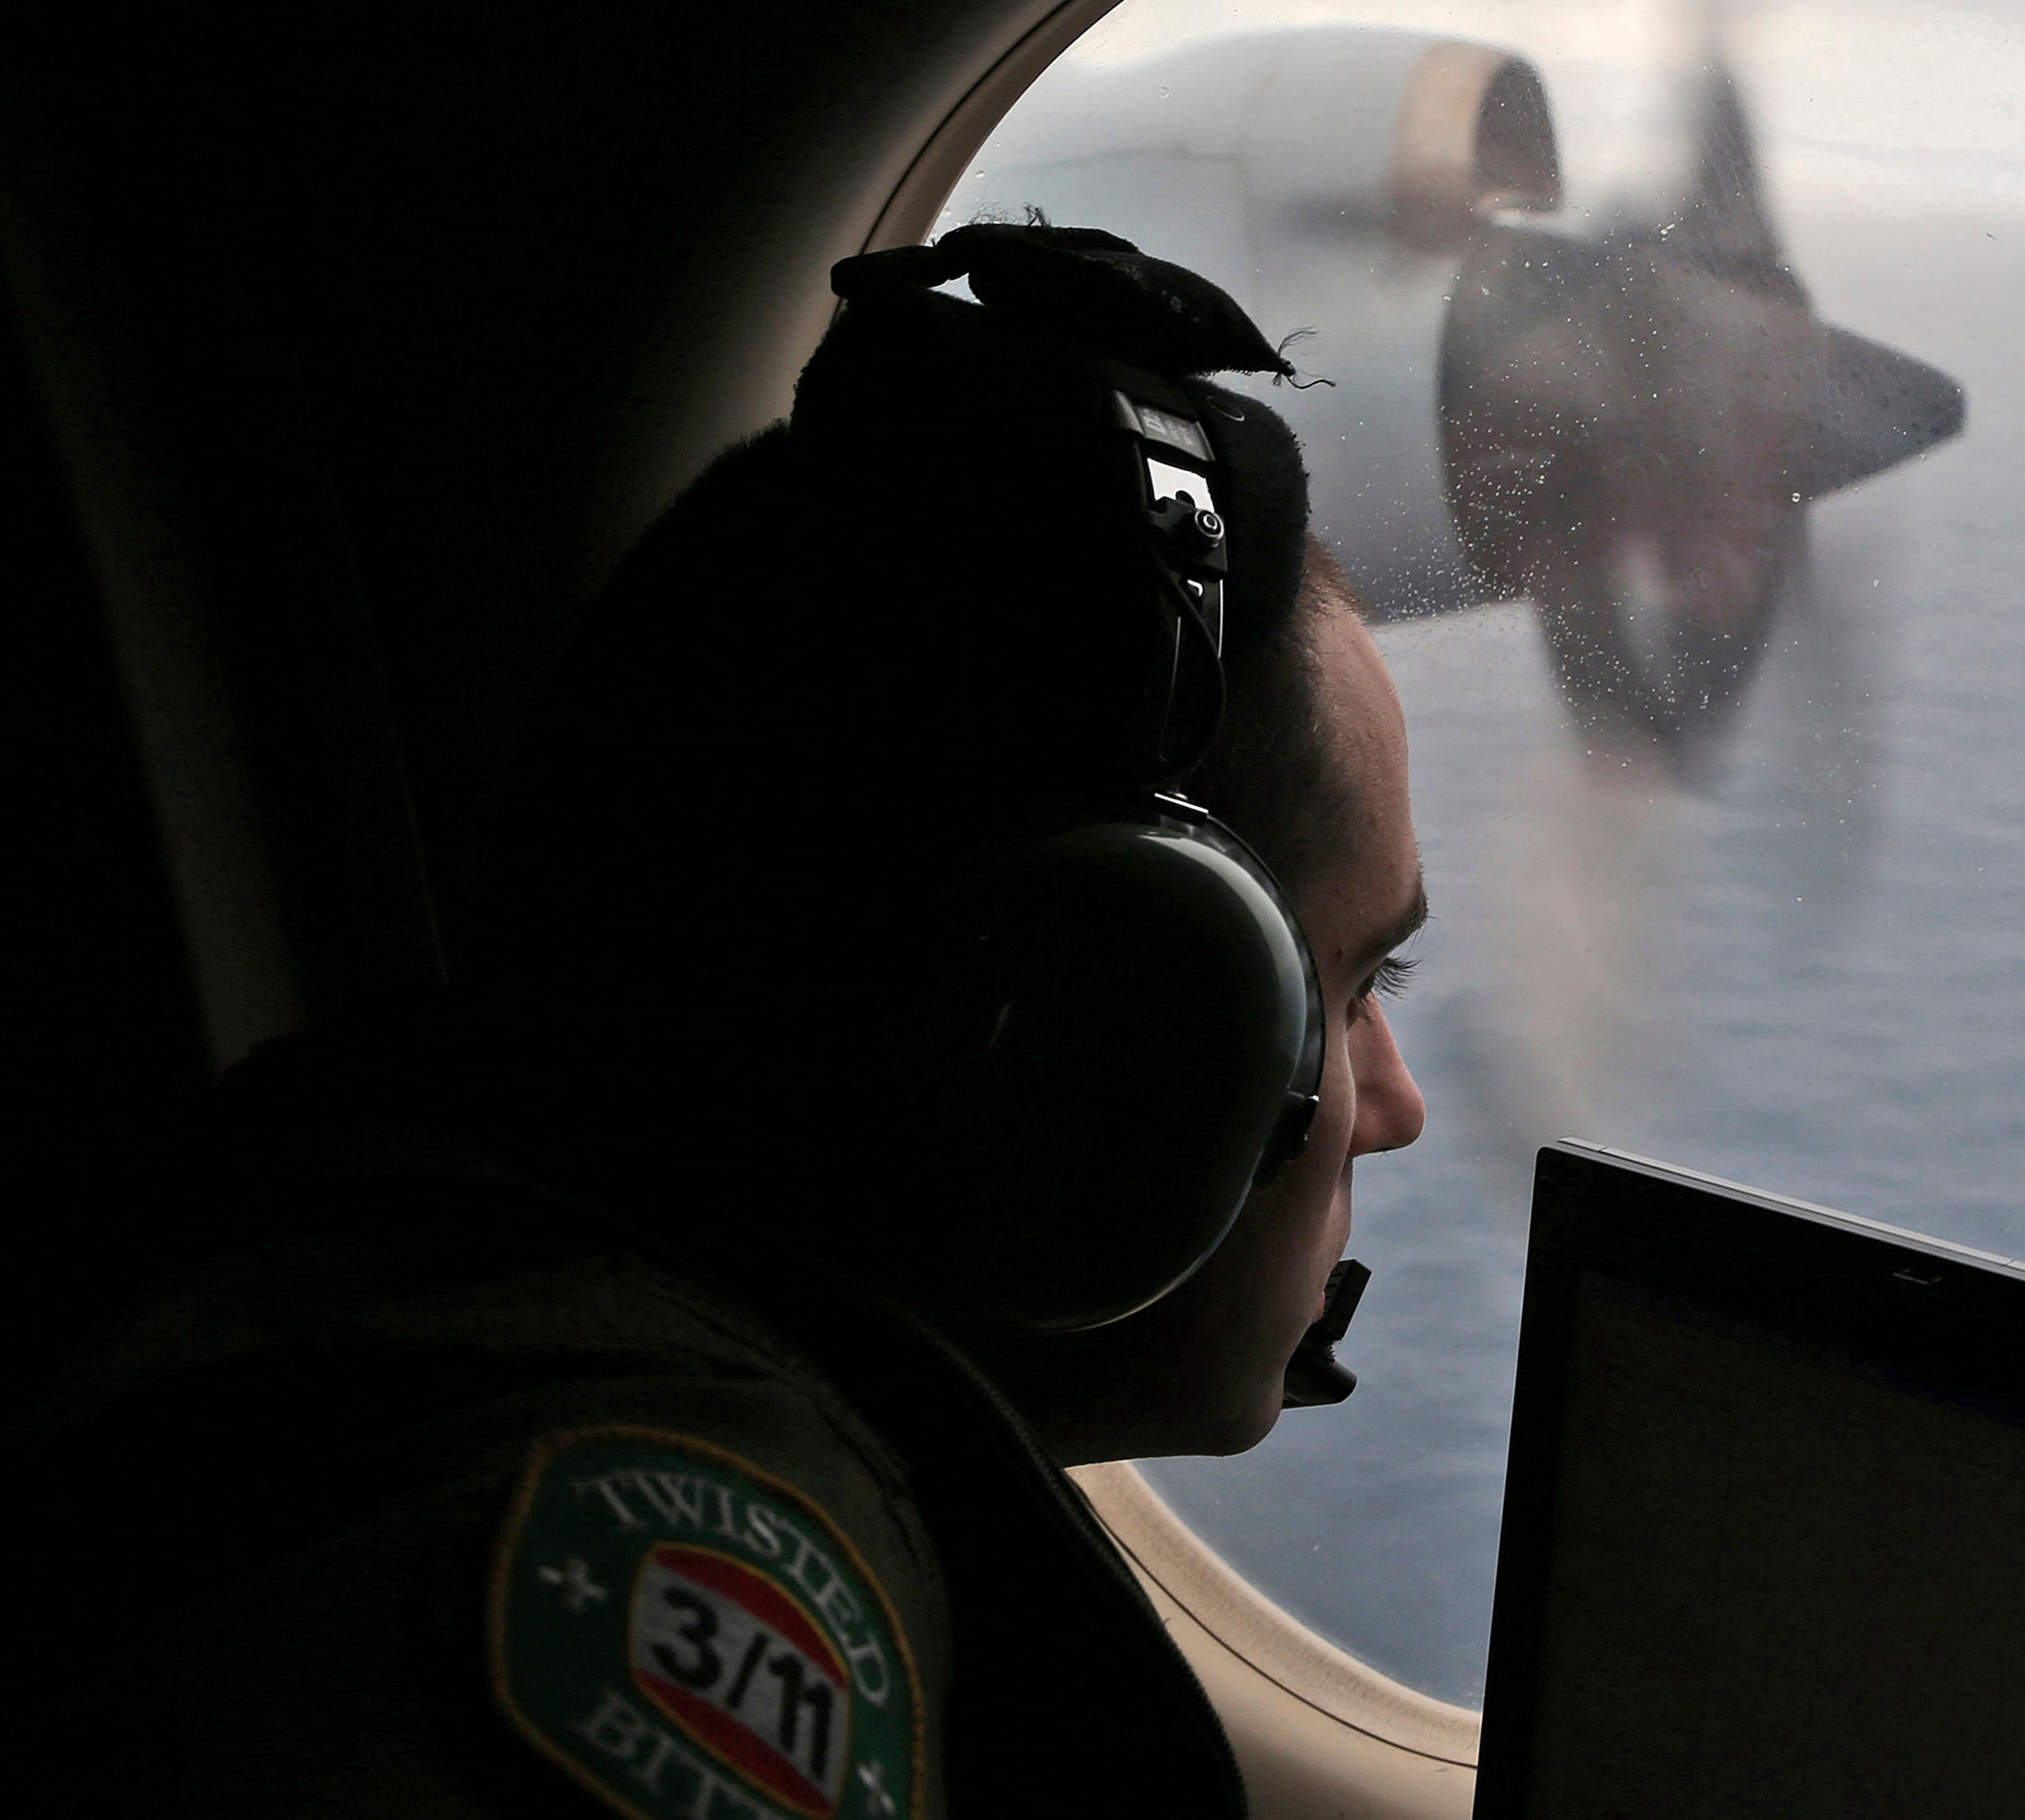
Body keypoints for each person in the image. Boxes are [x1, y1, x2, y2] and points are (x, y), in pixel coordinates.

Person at [20, 224, 1426, 1819]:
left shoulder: (418, 1265)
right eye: (1360, 985)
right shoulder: (666, 1567)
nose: (1391, 1103)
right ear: (1089, 1036)